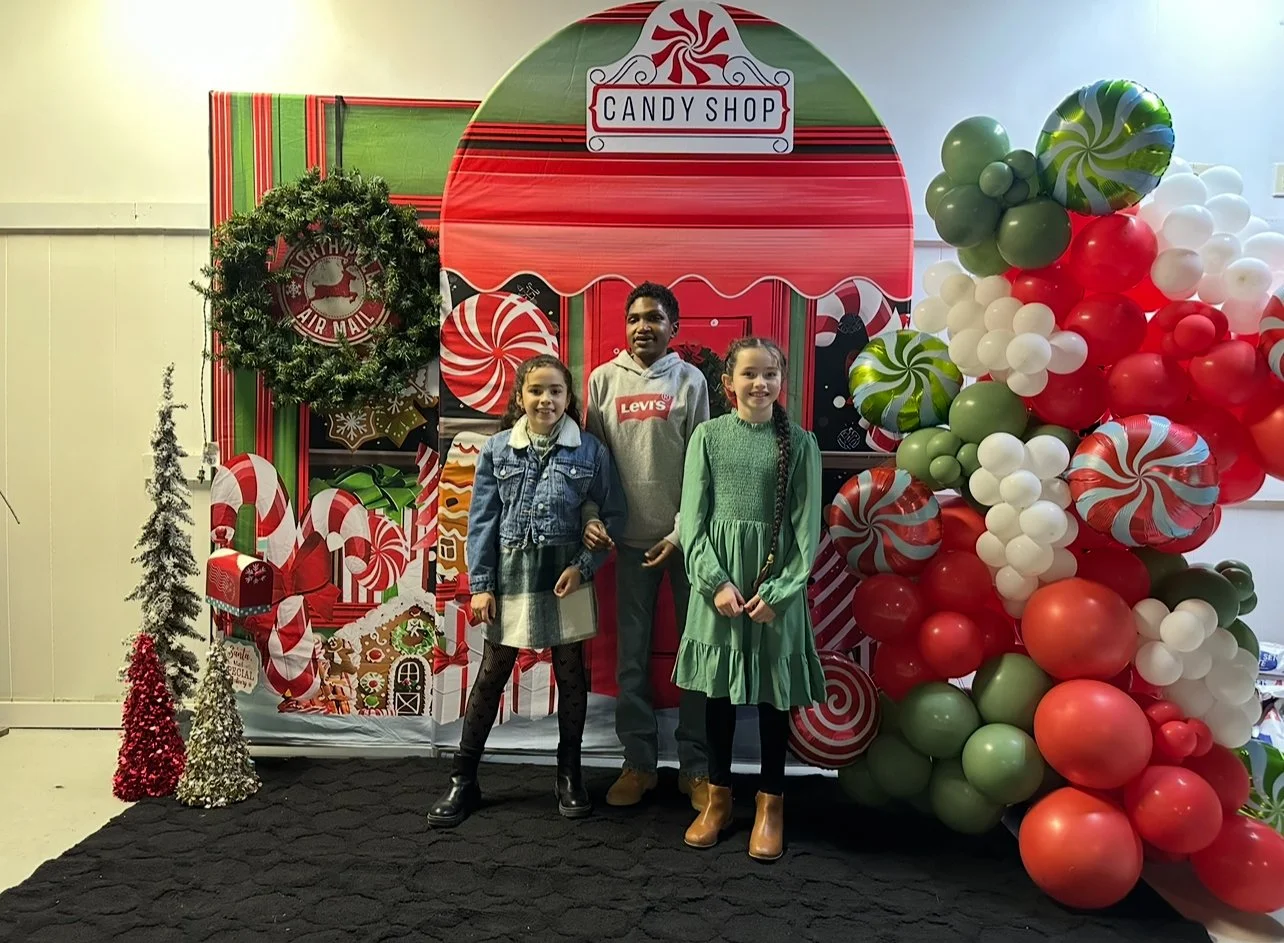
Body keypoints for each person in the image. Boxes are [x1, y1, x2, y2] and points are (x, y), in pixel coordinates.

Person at [427, 355, 626, 828]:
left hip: (567, 578)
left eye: (556, 391)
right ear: (520, 398)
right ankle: (464, 777)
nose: (546, 400)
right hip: (513, 573)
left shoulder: (590, 450)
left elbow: (613, 515)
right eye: (536, 390)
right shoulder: (498, 449)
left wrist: (584, 564)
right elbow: (481, 523)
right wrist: (481, 585)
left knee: (570, 672)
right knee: (493, 671)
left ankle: (569, 773)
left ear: (568, 398)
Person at [673, 336, 825, 861]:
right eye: (750, 374)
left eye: (770, 375)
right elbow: (692, 521)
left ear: (782, 382)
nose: (761, 383)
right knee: (715, 696)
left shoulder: (801, 443)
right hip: (718, 587)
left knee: (771, 700)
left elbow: (807, 533)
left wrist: (781, 592)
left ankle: (770, 804)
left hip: (773, 589)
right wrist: (714, 582)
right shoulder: (707, 438)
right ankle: (717, 801)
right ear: (728, 383)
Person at [581, 281, 712, 811]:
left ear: (673, 327)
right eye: (634, 318)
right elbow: (592, 462)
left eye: (654, 318)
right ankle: (638, 763)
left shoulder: (692, 380)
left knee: (697, 657)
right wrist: (593, 517)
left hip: (687, 543)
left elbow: (705, 468)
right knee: (631, 659)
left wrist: (682, 533)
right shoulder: (601, 382)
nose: (643, 327)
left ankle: (697, 766)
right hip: (628, 545)